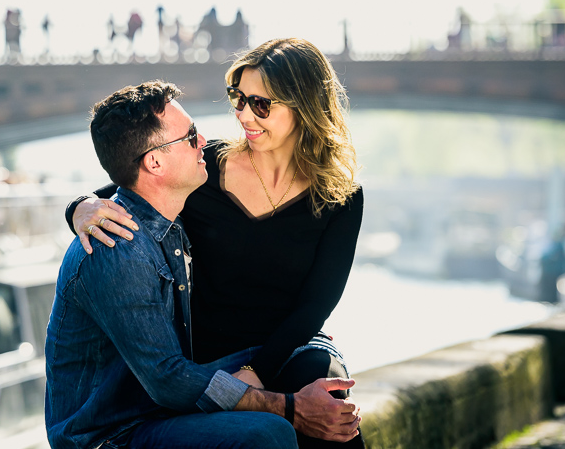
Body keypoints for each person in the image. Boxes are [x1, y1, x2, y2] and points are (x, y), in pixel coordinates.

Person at [69, 38, 364, 448]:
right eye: (237, 98)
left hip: (284, 346)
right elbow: (134, 185)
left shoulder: (340, 196)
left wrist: (258, 370)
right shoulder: (208, 169)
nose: (244, 114)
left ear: (304, 105)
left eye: (261, 104)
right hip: (207, 357)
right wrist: (79, 207)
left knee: (326, 390)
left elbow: (317, 303)